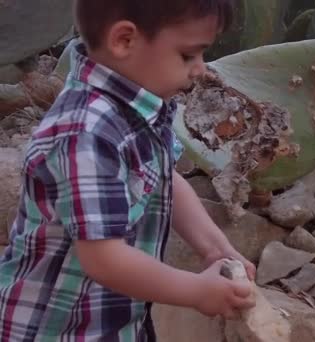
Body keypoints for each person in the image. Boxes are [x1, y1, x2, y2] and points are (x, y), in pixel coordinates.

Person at [0, 0, 256, 340]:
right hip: (52, 329)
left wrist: (214, 247)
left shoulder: (139, 105)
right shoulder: (85, 134)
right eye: (187, 55)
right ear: (124, 41)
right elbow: (104, 259)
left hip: (110, 322)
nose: (200, 69)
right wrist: (196, 291)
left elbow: (164, 178)